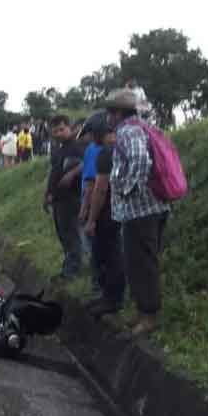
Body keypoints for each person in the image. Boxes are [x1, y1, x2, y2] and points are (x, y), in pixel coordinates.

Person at [103, 88, 170, 334]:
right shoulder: (142, 127)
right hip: (153, 207)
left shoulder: (128, 131)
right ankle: (143, 311)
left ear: (118, 112)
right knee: (141, 262)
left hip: (140, 211)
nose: (108, 117)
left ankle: (149, 317)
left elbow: (140, 160)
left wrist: (127, 190)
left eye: (110, 112)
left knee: (142, 264)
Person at [84, 119, 126, 317]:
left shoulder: (105, 154)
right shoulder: (123, 149)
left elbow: (100, 189)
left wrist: (91, 220)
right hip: (125, 211)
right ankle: (110, 297)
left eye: (92, 134)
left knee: (109, 257)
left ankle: (112, 300)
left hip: (108, 214)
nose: (90, 138)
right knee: (113, 255)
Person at [44, 115, 84, 281]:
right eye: (55, 131)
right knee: (63, 235)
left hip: (72, 198)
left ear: (70, 128)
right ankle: (68, 267)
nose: (59, 133)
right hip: (58, 200)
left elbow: (88, 163)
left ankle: (72, 272)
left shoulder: (78, 147)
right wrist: (46, 194)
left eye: (62, 129)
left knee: (71, 235)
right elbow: (53, 173)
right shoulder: (58, 151)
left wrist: (72, 174)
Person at [78, 113, 107, 288]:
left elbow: (90, 183)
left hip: (93, 203)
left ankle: (98, 282)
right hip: (110, 205)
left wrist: (84, 211)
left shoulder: (92, 149)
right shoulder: (111, 147)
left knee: (92, 246)